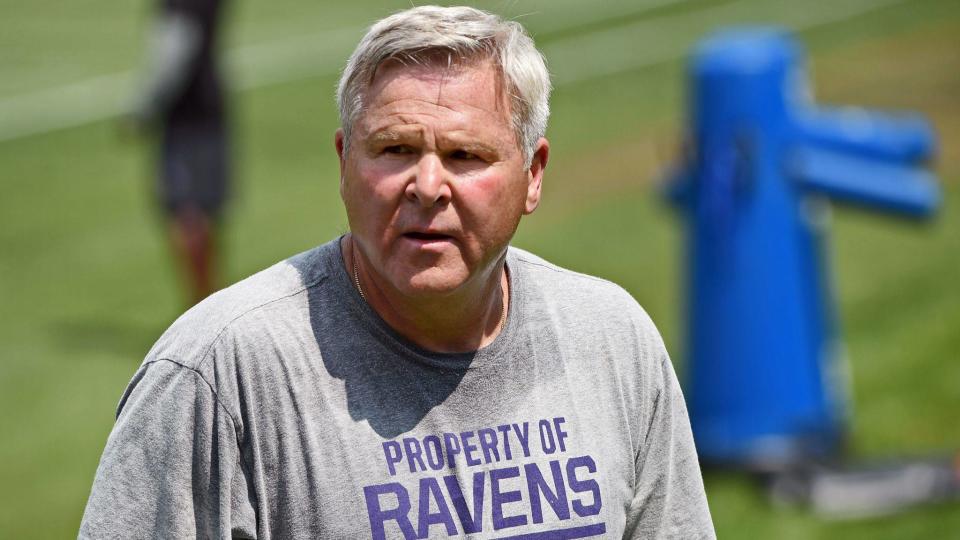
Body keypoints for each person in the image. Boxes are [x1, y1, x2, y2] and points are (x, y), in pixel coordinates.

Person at [82, 6, 714, 539]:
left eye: (465, 155)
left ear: (533, 174)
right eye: (395, 150)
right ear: (344, 162)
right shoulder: (218, 375)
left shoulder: (612, 341)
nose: (427, 186)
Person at [127, 0, 230, 305]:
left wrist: (145, 108)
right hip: (211, 105)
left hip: (184, 115)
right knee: (204, 213)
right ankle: (209, 300)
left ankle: (201, 305)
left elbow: (176, 49)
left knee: (186, 212)